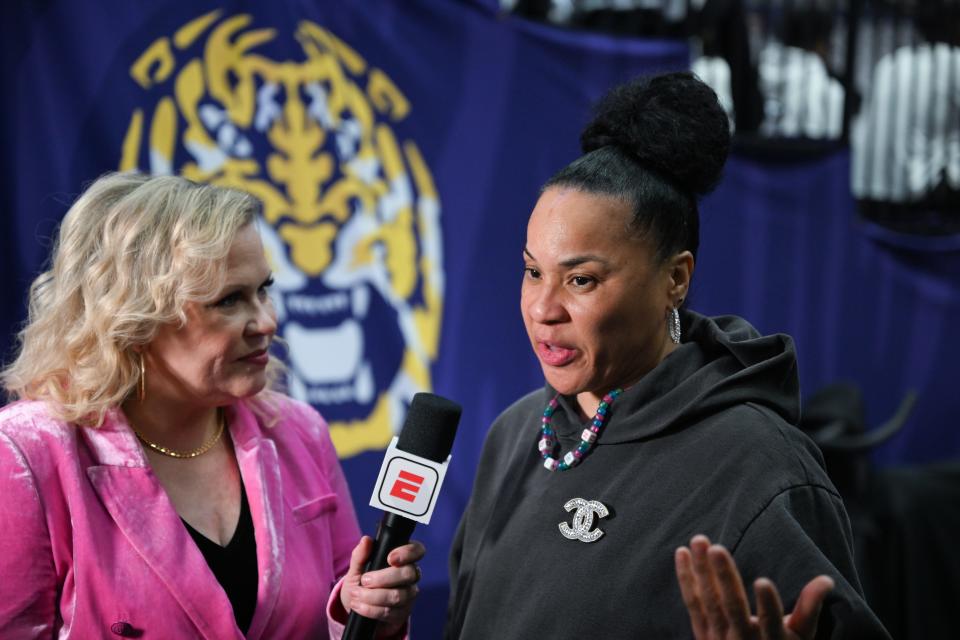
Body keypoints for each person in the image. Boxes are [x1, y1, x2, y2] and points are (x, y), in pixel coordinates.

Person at [446, 72, 889, 638]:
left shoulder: (762, 468)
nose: (543, 308)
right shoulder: (513, 434)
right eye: (534, 272)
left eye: (580, 280)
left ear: (675, 278)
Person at [0, 172, 422, 638]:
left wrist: (361, 615)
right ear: (133, 316)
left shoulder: (300, 432)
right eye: (229, 300)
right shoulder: (26, 453)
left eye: (264, 289)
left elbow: (338, 612)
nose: (267, 322)